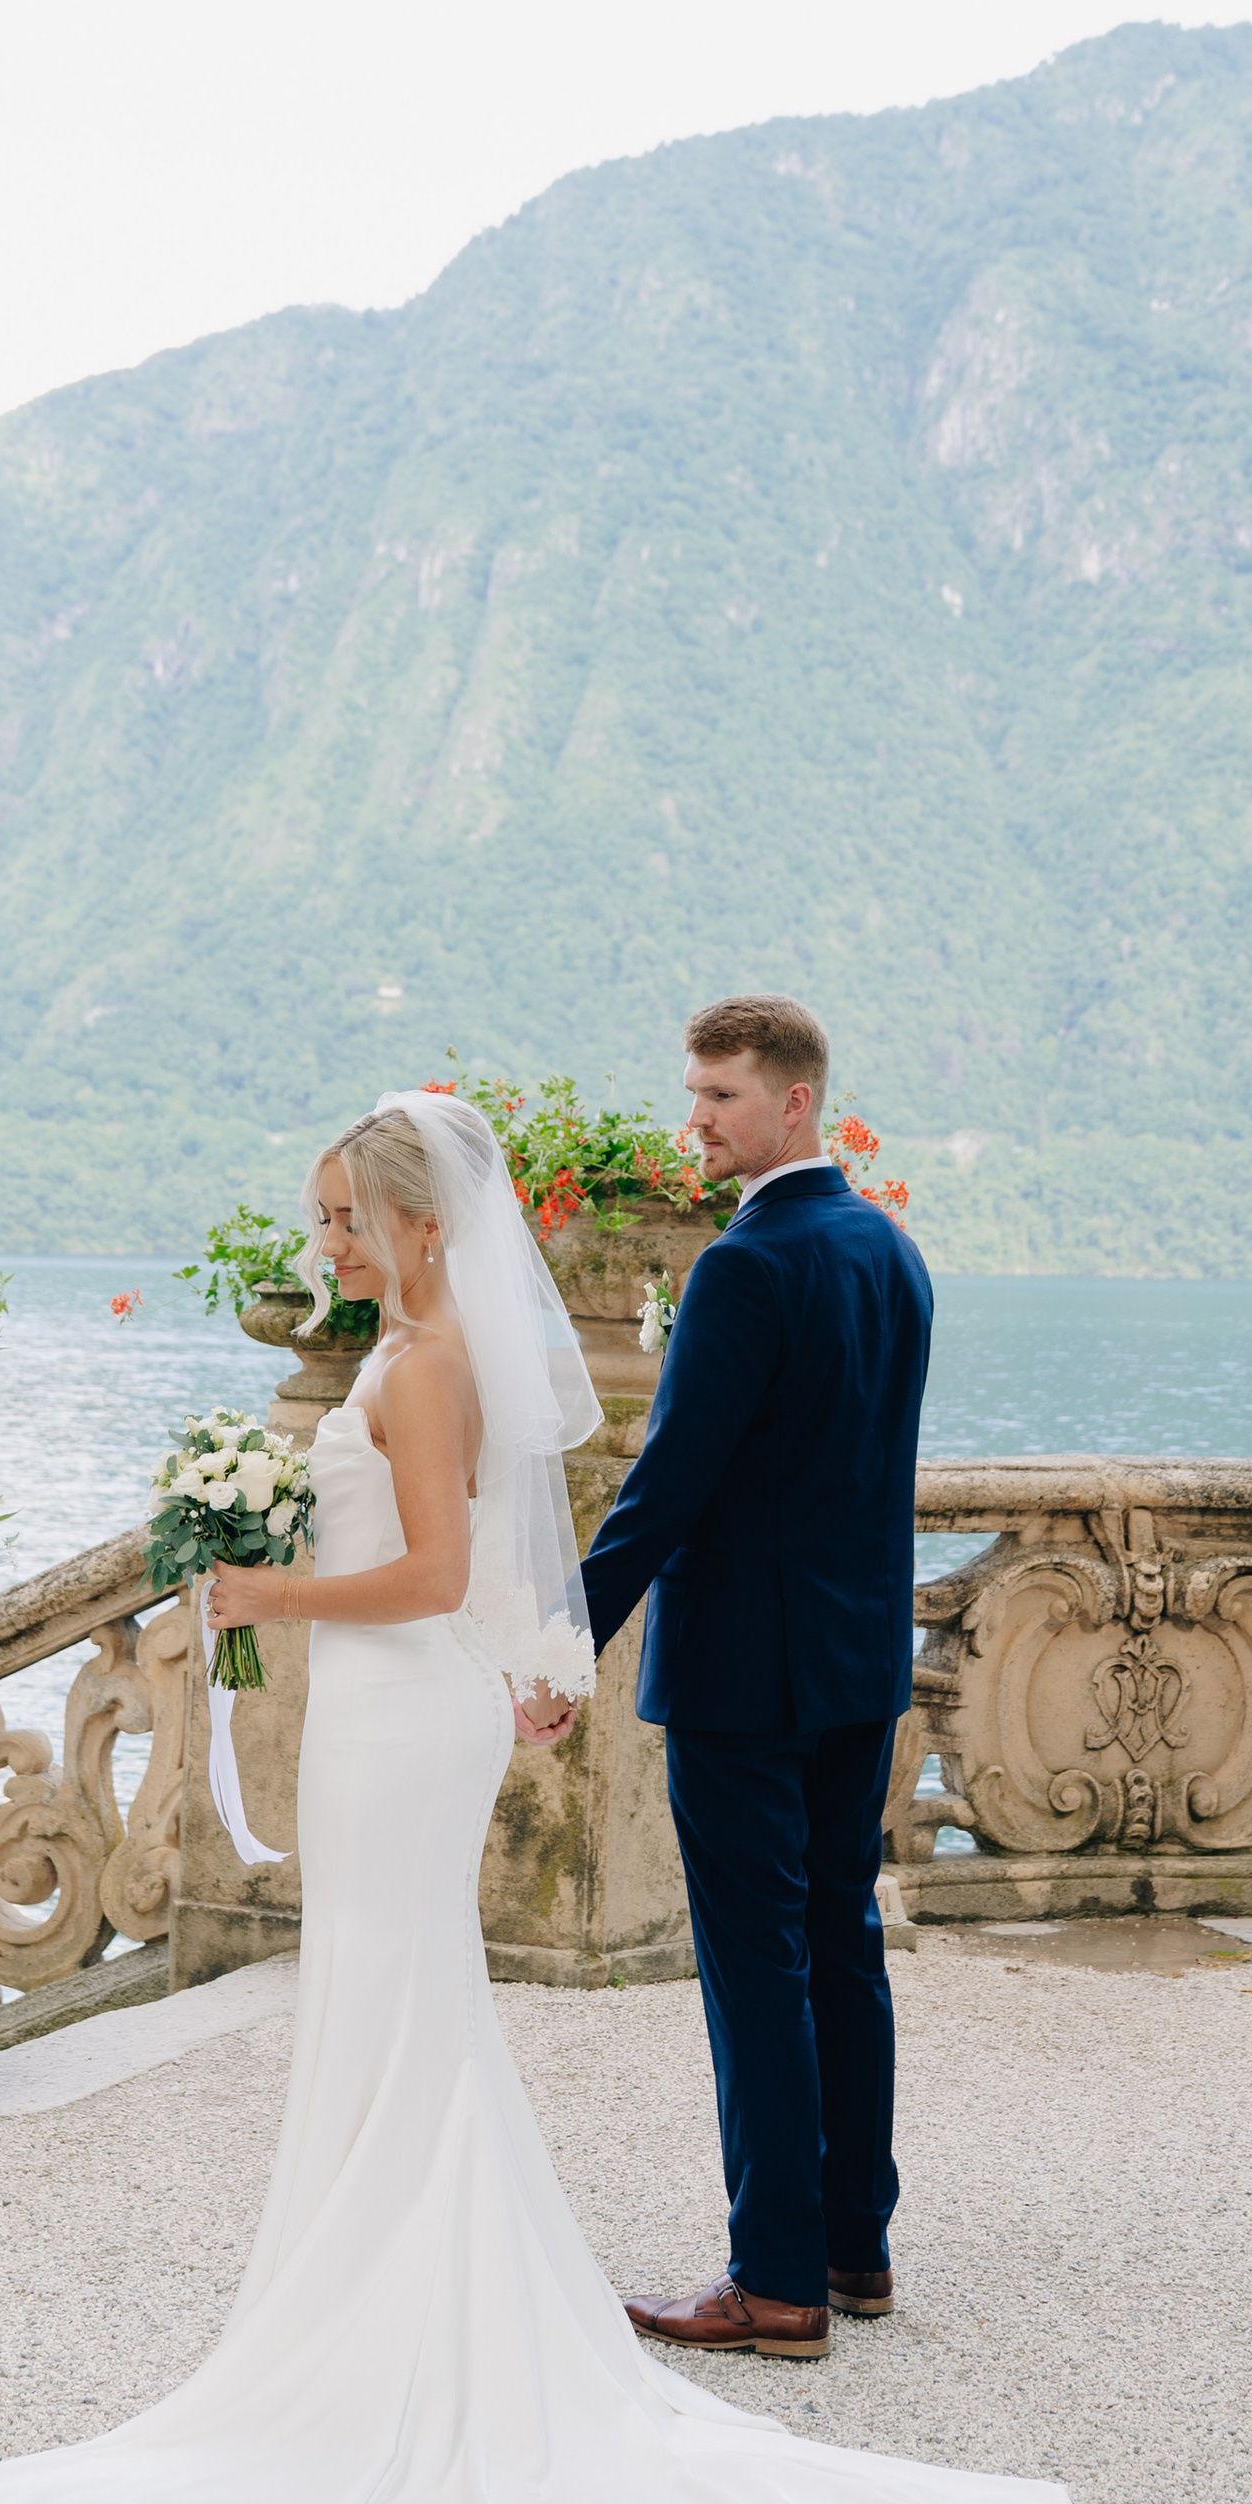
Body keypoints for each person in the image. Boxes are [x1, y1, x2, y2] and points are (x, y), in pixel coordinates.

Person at [0, 1088, 1108, 2504]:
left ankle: (398, 2355)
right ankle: (378, 2318)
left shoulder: (422, 1367)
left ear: (424, 1223)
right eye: (319, 1216)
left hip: (399, 1711)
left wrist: (261, 1584)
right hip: (411, 1706)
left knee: (404, 1998)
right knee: (399, 2007)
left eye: (345, 1215)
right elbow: (483, 1568)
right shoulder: (422, 1355)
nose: (321, 1243)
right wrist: (490, 1645)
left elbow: (424, 1574)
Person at [520, 992, 931, 2362]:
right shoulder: (891, 1250)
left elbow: (669, 1486)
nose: (694, 1121)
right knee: (841, 1947)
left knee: (756, 1965)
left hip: (746, 1677)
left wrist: (559, 1640)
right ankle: (853, 2248)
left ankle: (773, 2283)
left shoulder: (749, 1266)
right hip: (858, 1664)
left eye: (720, 1098)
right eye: (694, 1095)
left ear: (795, 1100)